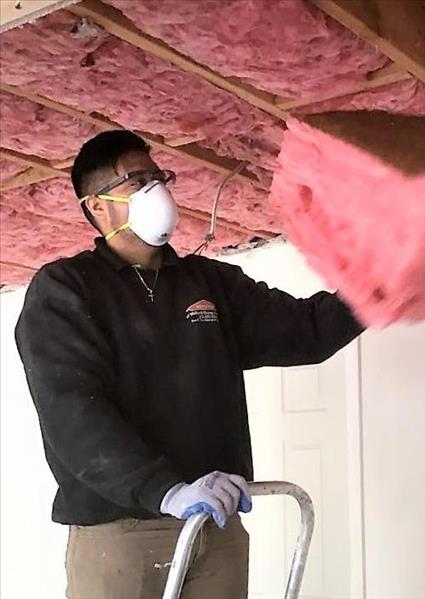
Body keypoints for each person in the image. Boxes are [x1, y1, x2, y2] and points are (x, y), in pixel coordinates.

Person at [15, 130, 364, 599]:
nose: (155, 189)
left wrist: (376, 287)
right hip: (122, 535)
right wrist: (165, 491)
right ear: (97, 207)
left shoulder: (210, 282)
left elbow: (306, 330)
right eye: (135, 181)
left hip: (212, 528)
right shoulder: (66, 291)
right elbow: (73, 413)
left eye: (157, 176)